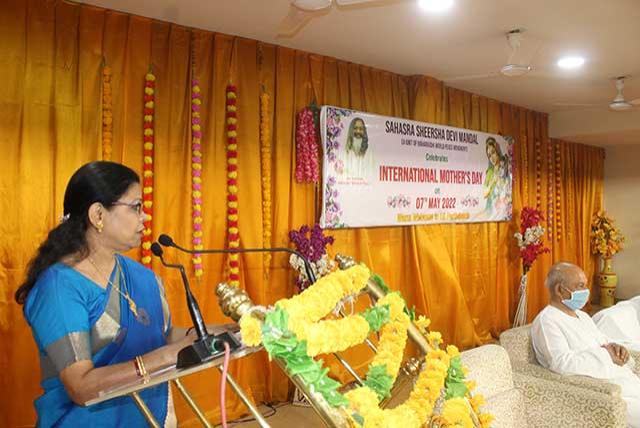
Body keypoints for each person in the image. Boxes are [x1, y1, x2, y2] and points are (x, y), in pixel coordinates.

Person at [15, 161, 196, 427]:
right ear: (98, 215)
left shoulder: (142, 277)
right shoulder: (59, 287)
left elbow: (164, 335)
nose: (145, 216)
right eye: (136, 207)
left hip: (147, 417)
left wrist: (215, 335)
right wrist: (169, 356)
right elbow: (81, 387)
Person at [531, 262, 640, 427]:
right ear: (560, 290)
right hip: (602, 391)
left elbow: (604, 343)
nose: (586, 291)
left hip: (622, 380)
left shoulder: (583, 316)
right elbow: (560, 363)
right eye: (580, 286)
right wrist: (606, 355)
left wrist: (618, 349)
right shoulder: (548, 321)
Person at [481, 137, 511, 219]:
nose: (492, 158)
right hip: (490, 209)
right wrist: (492, 181)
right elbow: (484, 194)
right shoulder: (490, 172)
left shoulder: (505, 166)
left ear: (497, 150)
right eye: (489, 156)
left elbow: (508, 189)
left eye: (493, 152)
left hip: (502, 209)